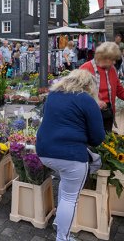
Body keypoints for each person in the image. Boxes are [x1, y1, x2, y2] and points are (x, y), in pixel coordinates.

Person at [36, 69, 105, 241]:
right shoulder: (86, 100)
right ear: (89, 85)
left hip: (44, 151)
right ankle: (63, 237)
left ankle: (60, 223)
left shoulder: (53, 95)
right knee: (70, 197)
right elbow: (98, 138)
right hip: (70, 156)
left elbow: (50, 121)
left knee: (65, 185)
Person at [80, 42, 124, 132]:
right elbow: (77, 93)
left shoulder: (112, 69)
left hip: (108, 112)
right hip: (91, 112)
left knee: (106, 139)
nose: (114, 62)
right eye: (112, 59)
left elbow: (119, 90)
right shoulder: (85, 69)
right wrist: (96, 101)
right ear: (103, 58)